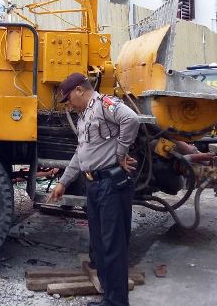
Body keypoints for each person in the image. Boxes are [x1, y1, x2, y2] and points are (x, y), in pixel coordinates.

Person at [47, 73, 140, 306]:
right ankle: (109, 298)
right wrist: (63, 182)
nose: (68, 104)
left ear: (80, 90)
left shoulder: (104, 105)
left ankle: (117, 302)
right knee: (99, 247)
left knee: (113, 247)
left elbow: (131, 119)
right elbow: (81, 153)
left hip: (111, 184)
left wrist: (120, 154)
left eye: (68, 98)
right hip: (94, 185)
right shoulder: (83, 116)